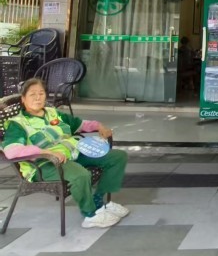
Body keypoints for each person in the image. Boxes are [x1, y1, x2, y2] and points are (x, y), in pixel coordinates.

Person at [1, 78, 130, 229]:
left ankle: (98, 200)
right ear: (23, 99)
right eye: (32, 94)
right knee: (81, 175)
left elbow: (79, 124)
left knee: (117, 157)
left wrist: (99, 126)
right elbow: (11, 151)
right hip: (44, 164)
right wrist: (45, 152)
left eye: (41, 93)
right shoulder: (18, 123)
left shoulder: (52, 113)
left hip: (71, 154)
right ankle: (90, 215)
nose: (37, 98)